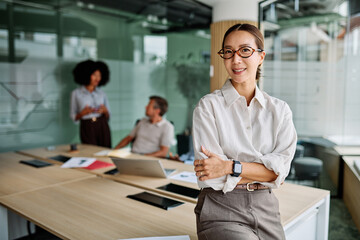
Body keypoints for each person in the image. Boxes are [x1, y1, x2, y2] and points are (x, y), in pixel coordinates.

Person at [192, 24, 297, 240]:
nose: (236, 59)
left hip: (266, 206)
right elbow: (211, 177)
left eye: (245, 50)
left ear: (261, 56)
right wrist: (264, 171)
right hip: (221, 207)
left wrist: (229, 166)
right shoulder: (208, 106)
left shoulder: (280, 110)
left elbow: (280, 172)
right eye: (228, 52)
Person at [70, 60, 111, 148]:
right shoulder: (76, 93)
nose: (97, 78)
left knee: (106, 150)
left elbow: (108, 115)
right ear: (86, 74)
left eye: (99, 75)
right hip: (87, 125)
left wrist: (105, 111)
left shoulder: (102, 93)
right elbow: (73, 116)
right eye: (94, 75)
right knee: (90, 151)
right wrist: (82, 113)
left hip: (102, 124)